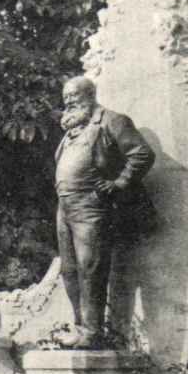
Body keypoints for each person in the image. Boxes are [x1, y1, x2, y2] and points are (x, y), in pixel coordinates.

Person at [54, 75, 154, 350]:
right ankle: (79, 328)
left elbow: (142, 154)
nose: (69, 102)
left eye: (74, 96)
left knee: (91, 269)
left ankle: (92, 331)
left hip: (92, 206)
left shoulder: (111, 120)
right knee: (70, 270)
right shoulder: (72, 130)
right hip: (65, 207)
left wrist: (119, 183)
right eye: (66, 98)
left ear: (90, 95)